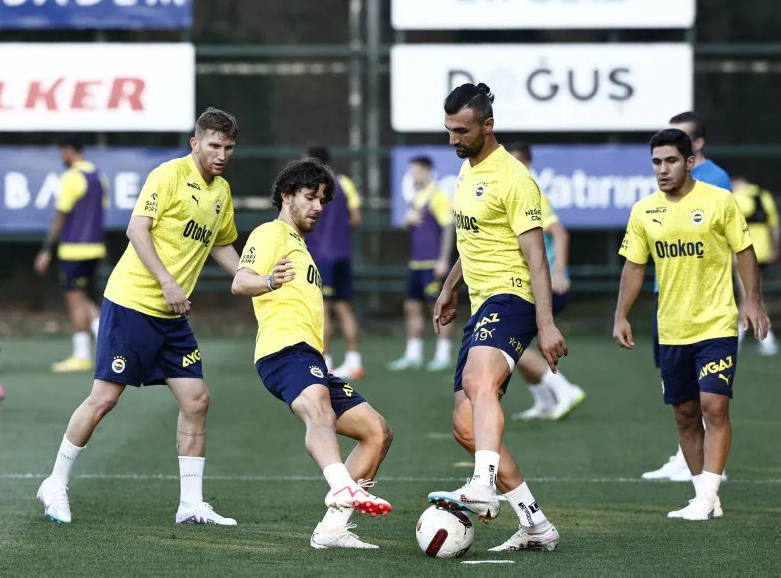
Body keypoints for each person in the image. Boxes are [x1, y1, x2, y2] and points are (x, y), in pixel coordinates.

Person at [36, 108, 242, 526]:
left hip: (171, 317)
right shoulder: (168, 175)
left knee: (196, 399)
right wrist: (168, 282)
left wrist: (251, 279)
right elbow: (136, 229)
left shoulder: (221, 191)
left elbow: (221, 244)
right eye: (214, 145)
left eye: (228, 147)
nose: (221, 154)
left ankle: (190, 505)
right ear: (195, 143)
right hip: (132, 304)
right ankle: (54, 483)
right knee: (104, 399)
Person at [426, 83, 567, 551]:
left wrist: (546, 324)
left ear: (488, 125)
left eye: (462, 131)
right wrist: (450, 287)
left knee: (478, 381)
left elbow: (537, 257)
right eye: (449, 130)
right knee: (465, 425)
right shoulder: (466, 170)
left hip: (513, 297)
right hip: (481, 302)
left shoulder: (514, 178)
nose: (453, 140)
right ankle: (535, 524)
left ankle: (483, 485)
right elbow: (474, 241)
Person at [232, 158, 392, 549]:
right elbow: (240, 281)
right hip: (282, 351)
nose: (318, 207)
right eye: (310, 197)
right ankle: (341, 486)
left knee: (377, 432)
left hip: (309, 358)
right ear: (287, 196)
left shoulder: (302, 247)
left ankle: (333, 528)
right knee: (319, 411)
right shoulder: (270, 233)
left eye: (322, 200)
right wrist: (270, 280)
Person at [614, 128, 769, 520]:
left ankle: (706, 496)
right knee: (684, 414)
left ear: (689, 161)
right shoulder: (644, 210)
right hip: (671, 328)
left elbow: (745, 251)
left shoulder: (719, 200)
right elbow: (634, 266)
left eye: (670, 161)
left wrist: (753, 300)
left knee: (713, 406)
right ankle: (705, 497)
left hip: (716, 324)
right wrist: (621, 315)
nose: (662, 169)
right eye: (656, 162)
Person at [642, 111, 733, 482]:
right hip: (668, 300)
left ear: (696, 147)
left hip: (706, 307)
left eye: (680, 140)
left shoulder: (715, 182)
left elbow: (729, 244)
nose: (666, 163)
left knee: (711, 396)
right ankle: (687, 455)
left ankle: (709, 470)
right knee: (678, 391)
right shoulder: (655, 197)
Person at [505, 142, 585, 421]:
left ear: (526, 164)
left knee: (508, 343)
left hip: (545, 285)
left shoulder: (531, 193)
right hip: (526, 284)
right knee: (514, 344)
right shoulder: (513, 193)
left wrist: (559, 271)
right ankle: (545, 402)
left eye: (515, 162)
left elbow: (560, 233)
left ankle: (565, 390)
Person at [33, 135, 107, 373]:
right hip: (95, 248)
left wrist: (46, 250)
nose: (61, 157)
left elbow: (61, 215)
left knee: (76, 300)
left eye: (61, 152)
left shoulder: (72, 177)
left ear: (68, 150)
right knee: (84, 299)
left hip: (74, 249)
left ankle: (83, 354)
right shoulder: (99, 177)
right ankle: (105, 342)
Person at [387, 155, 455, 372]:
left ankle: (443, 355)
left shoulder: (439, 197)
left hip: (433, 264)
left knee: (440, 309)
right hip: (416, 265)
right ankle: (413, 354)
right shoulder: (416, 198)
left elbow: (448, 228)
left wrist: (443, 260)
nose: (411, 176)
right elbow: (408, 225)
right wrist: (407, 221)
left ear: (426, 171)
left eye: (414, 171)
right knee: (411, 307)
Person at [303, 146, 365, 380]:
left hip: (321, 256)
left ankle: (325, 362)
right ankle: (354, 362)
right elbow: (356, 218)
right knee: (344, 308)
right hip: (343, 255)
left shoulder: (310, 187)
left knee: (323, 310)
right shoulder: (345, 183)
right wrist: (338, 229)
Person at [732, 176, 781, 355]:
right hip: (762, 253)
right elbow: (774, 226)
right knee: (751, 295)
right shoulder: (763, 195)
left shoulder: (733, 197)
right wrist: (775, 249)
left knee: (748, 296)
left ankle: (764, 340)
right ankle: (764, 340)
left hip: (742, 255)